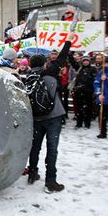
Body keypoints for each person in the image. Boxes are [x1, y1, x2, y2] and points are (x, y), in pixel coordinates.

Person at [27, 32, 73, 193]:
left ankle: (32, 173)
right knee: (52, 148)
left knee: (35, 147)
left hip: (37, 118)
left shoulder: (28, 76)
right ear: (44, 63)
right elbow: (62, 57)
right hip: (53, 116)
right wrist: (68, 41)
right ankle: (50, 181)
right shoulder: (50, 72)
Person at [68, 54, 97, 128]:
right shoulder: (79, 68)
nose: (85, 62)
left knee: (88, 108)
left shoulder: (93, 69)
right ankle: (79, 123)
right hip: (79, 91)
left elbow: (95, 80)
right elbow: (73, 62)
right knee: (79, 108)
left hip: (88, 91)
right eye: (84, 61)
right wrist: (70, 54)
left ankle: (87, 123)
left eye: (87, 61)